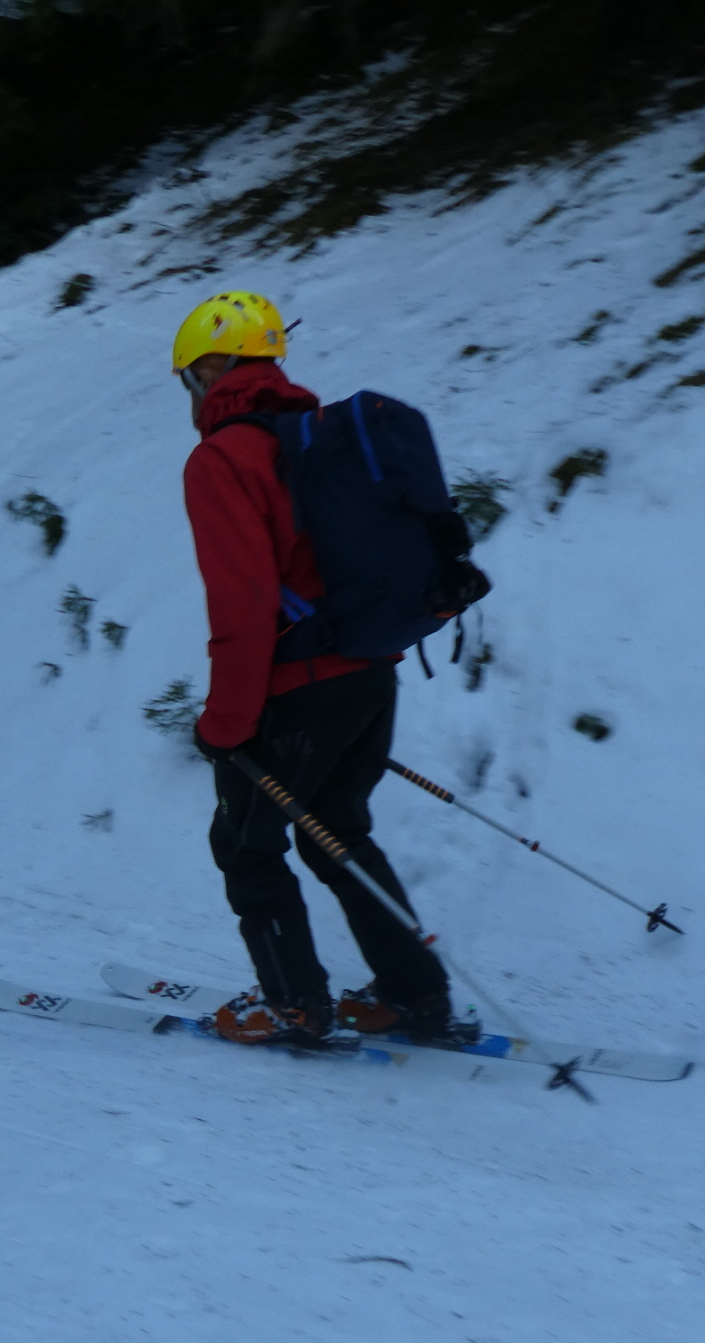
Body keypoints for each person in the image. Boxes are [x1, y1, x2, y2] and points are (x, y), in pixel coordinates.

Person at [173, 291, 475, 1052]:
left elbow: (242, 603)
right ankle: (415, 996)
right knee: (337, 832)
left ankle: (293, 1006)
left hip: (294, 689)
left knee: (247, 848)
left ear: (211, 370)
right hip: (370, 672)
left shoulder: (223, 459)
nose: (190, 397)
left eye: (189, 380)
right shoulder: (312, 441)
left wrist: (225, 723)